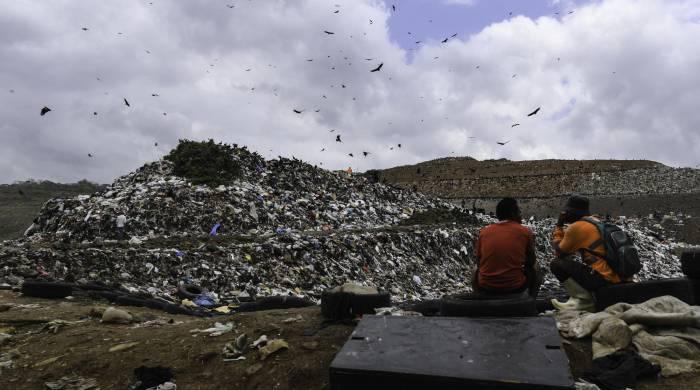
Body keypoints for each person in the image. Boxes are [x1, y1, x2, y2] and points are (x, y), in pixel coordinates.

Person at [550, 195, 623, 311]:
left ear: (571, 213)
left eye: (566, 212)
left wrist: (559, 226)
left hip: (604, 279)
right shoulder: (596, 222)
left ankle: (584, 301)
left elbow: (560, 253)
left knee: (556, 264)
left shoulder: (577, 227)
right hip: (618, 276)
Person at [473, 198, 542, 297]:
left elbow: (478, 262)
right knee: (536, 268)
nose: (521, 215)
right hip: (514, 287)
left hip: (487, 286)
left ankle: (480, 300)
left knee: (474, 270)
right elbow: (531, 261)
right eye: (519, 211)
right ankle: (531, 303)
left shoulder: (484, 232)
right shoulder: (525, 231)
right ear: (513, 213)